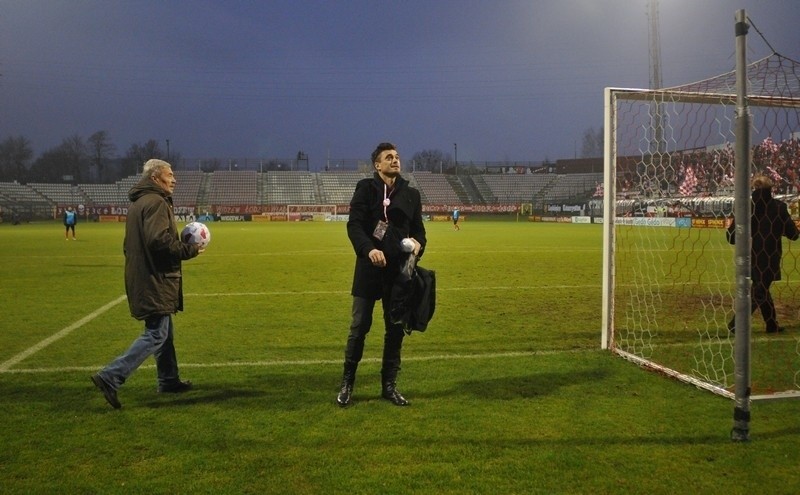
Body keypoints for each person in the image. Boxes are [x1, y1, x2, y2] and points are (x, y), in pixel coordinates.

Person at [91, 159, 203, 409]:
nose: (174, 179)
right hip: (154, 277)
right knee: (156, 333)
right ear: (155, 178)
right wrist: (190, 250)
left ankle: (168, 380)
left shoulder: (140, 203)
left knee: (165, 331)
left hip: (144, 276)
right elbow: (159, 242)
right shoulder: (156, 202)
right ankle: (111, 377)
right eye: (170, 175)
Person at [336, 142, 426, 407]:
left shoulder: (411, 195)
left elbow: (419, 231)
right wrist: (368, 250)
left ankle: (389, 387)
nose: (395, 160)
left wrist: (419, 244)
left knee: (395, 329)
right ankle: (347, 384)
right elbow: (354, 226)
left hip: (398, 273)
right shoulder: (366, 188)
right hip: (369, 270)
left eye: (397, 157)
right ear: (377, 165)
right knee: (359, 327)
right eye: (389, 157)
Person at [727, 174, 799, 334]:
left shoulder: (746, 207)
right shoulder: (779, 207)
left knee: (761, 289)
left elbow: (730, 237)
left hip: (748, 257)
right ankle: (736, 324)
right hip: (770, 256)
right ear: (771, 189)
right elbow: (793, 234)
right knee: (759, 292)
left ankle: (772, 325)